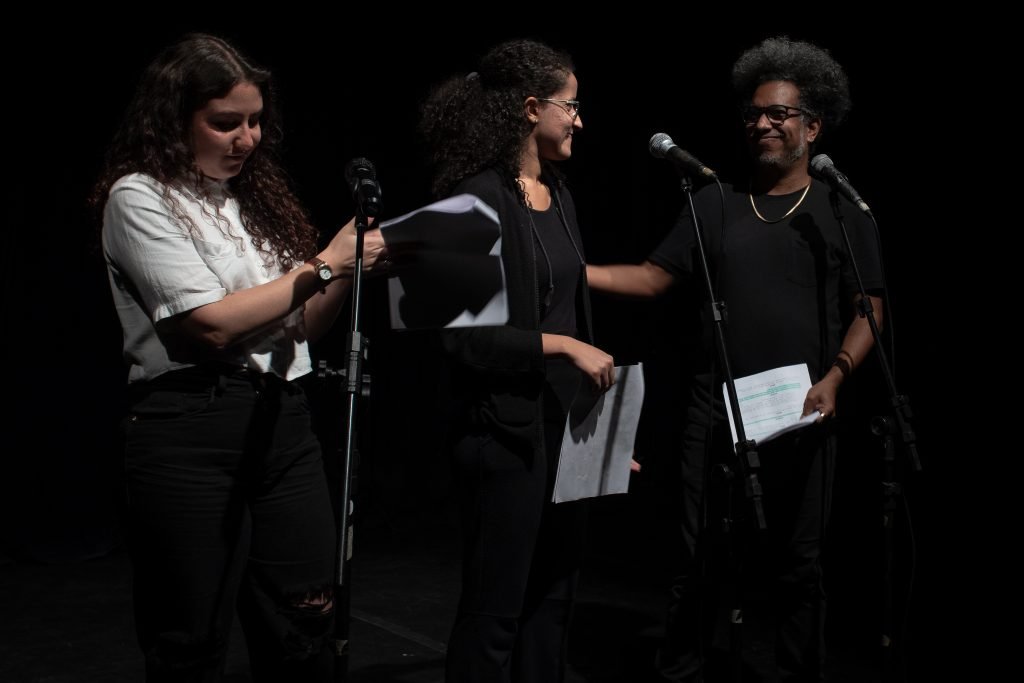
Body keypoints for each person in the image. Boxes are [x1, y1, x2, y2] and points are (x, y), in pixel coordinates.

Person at [586, 36, 885, 682]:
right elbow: (650, 277)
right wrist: (569, 270)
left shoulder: (836, 206)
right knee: (703, 561)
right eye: (754, 113)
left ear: (813, 124)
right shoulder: (714, 204)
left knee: (800, 566)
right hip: (717, 418)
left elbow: (871, 309)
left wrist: (837, 375)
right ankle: (683, 669)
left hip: (807, 418)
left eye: (779, 113)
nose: (763, 123)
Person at [90, 33, 384, 682]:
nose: (246, 138)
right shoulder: (140, 197)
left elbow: (302, 319)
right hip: (190, 426)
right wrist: (324, 264)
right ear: (174, 120)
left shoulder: (256, 202)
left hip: (282, 420)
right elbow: (214, 329)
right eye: (225, 123)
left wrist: (347, 271)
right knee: (190, 634)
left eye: (255, 121)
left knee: (305, 615)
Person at [418, 39, 616, 683]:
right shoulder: (466, 199)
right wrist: (561, 347)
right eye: (572, 105)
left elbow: (570, 311)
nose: (580, 119)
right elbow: (464, 339)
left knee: (552, 606)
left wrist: (602, 428)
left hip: (567, 430)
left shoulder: (559, 194)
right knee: (496, 612)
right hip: (502, 434)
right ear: (531, 109)